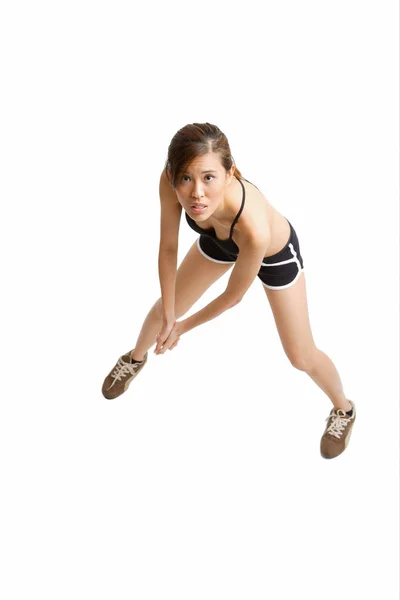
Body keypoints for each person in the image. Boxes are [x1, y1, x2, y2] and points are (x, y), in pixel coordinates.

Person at [102, 122, 356, 459]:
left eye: (208, 178)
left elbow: (233, 296)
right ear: (172, 173)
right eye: (185, 179)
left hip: (271, 253)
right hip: (219, 242)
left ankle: (344, 410)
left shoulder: (254, 226)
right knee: (165, 305)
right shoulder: (168, 180)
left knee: (301, 356)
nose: (196, 194)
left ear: (229, 172)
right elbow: (167, 247)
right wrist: (169, 315)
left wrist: (181, 327)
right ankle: (134, 358)